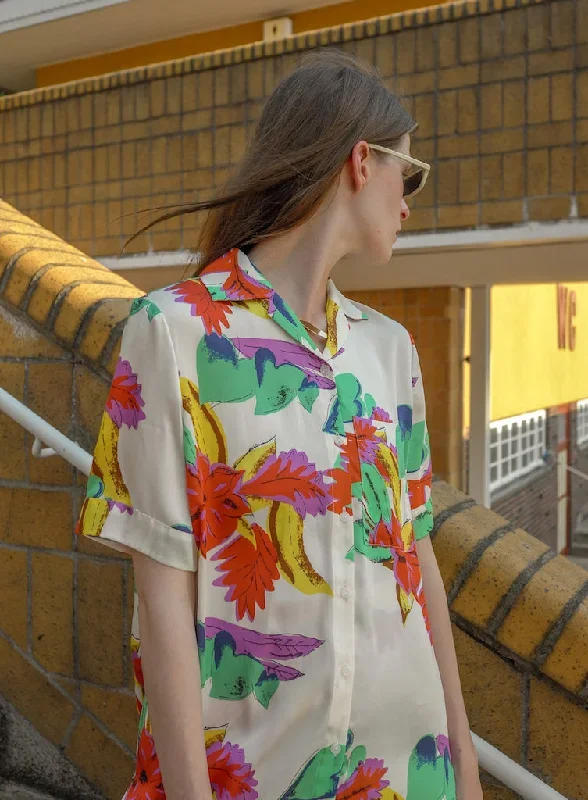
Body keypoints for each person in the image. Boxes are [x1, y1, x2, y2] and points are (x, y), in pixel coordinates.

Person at [77, 49, 483, 800]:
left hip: (409, 775)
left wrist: (462, 758)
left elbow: (416, 564)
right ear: (362, 161)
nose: (409, 200)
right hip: (250, 779)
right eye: (410, 174)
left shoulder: (389, 351)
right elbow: (162, 603)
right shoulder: (173, 334)